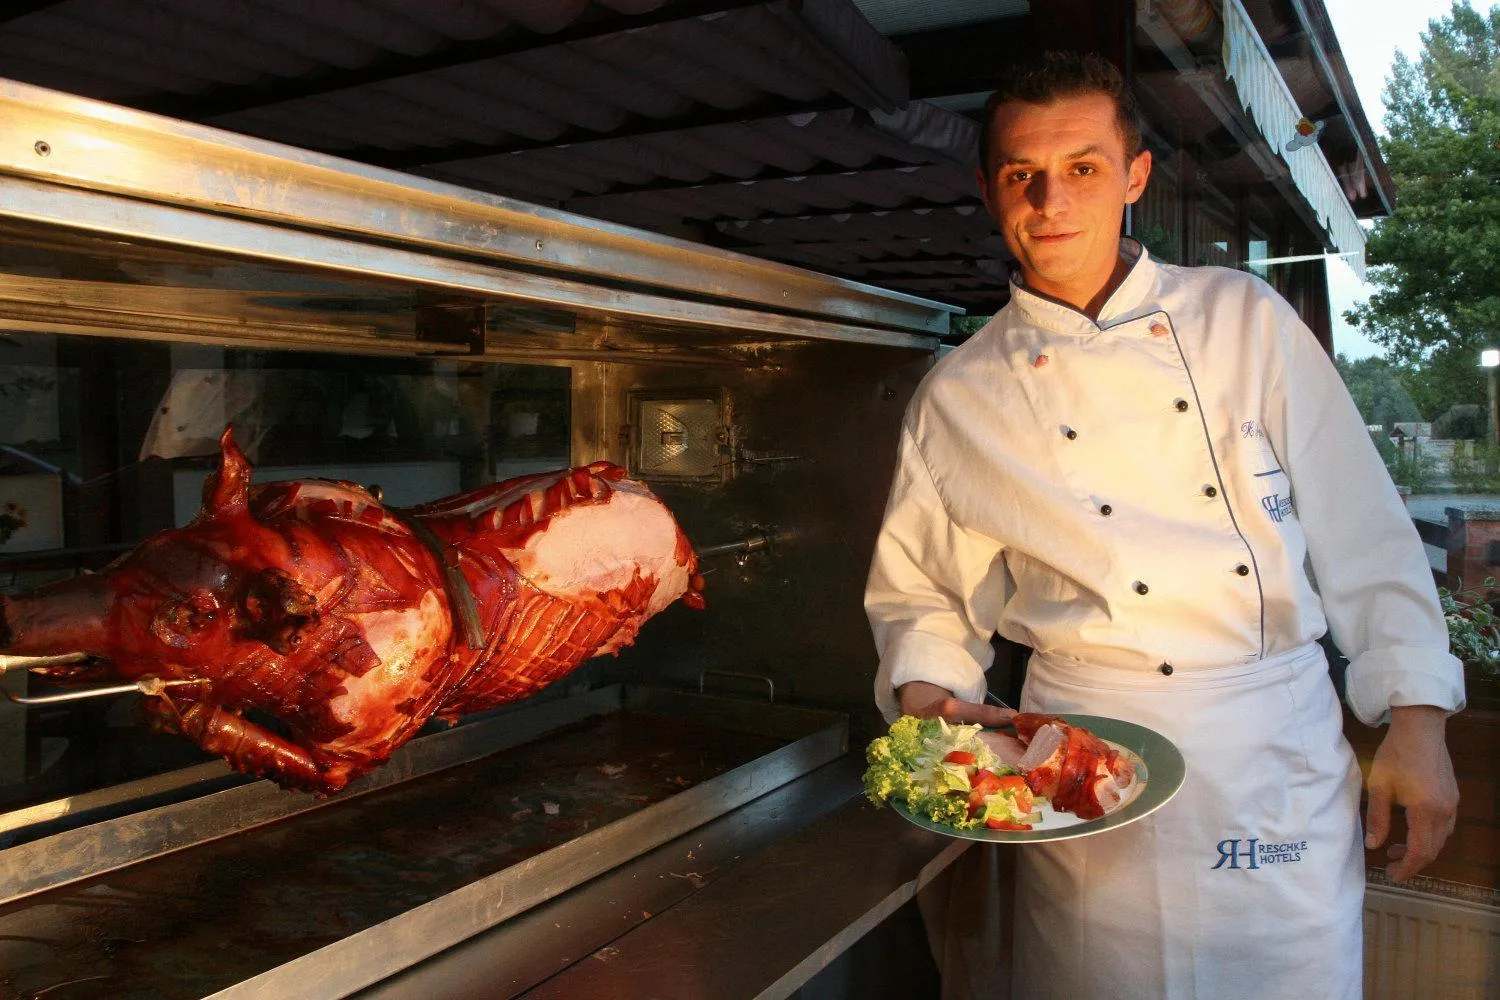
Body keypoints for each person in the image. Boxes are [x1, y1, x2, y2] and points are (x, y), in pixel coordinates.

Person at [865, 51, 1463, 1000]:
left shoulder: (1246, 320)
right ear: (990, 190)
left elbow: (1366, 533)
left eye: (1085, 168)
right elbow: (923, 594)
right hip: (1084, 761)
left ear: (1134, 178)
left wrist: (1418, 724)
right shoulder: (959, 393)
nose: (1052, 199)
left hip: (1273, 755)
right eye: (1024, 174)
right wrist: (935, 706)